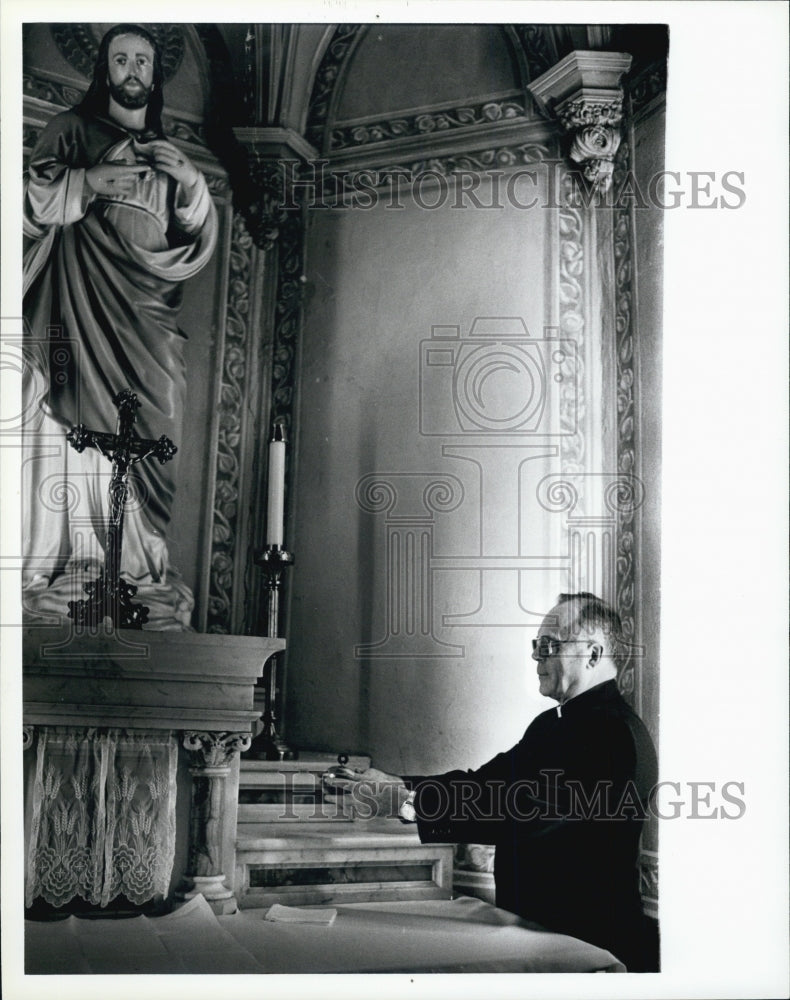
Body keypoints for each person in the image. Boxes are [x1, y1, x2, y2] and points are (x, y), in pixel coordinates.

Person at [324, 592, 659, 971]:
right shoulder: (552, 724)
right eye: (537, 645)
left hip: (591, 942)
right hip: (542, 934)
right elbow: (484, 783)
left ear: (593, 655)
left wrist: (407, 802)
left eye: (549, 645)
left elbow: (526, 813)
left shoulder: (613, 735)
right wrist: (397, 783)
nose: (536, 657)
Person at [22, 24, 217, 628]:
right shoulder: (70, 131)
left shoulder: (169, 153)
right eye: (121, 59)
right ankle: (83, 565)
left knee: (159, 415)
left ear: (155, 76)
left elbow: (196, 240)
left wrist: (190, 183)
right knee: (78, 421)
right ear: (104, 70)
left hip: (149, 315)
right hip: (79, 304)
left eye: (142, 62)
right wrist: (88, 183)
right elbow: (30, 207)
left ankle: (142, 570)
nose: (132, 70)